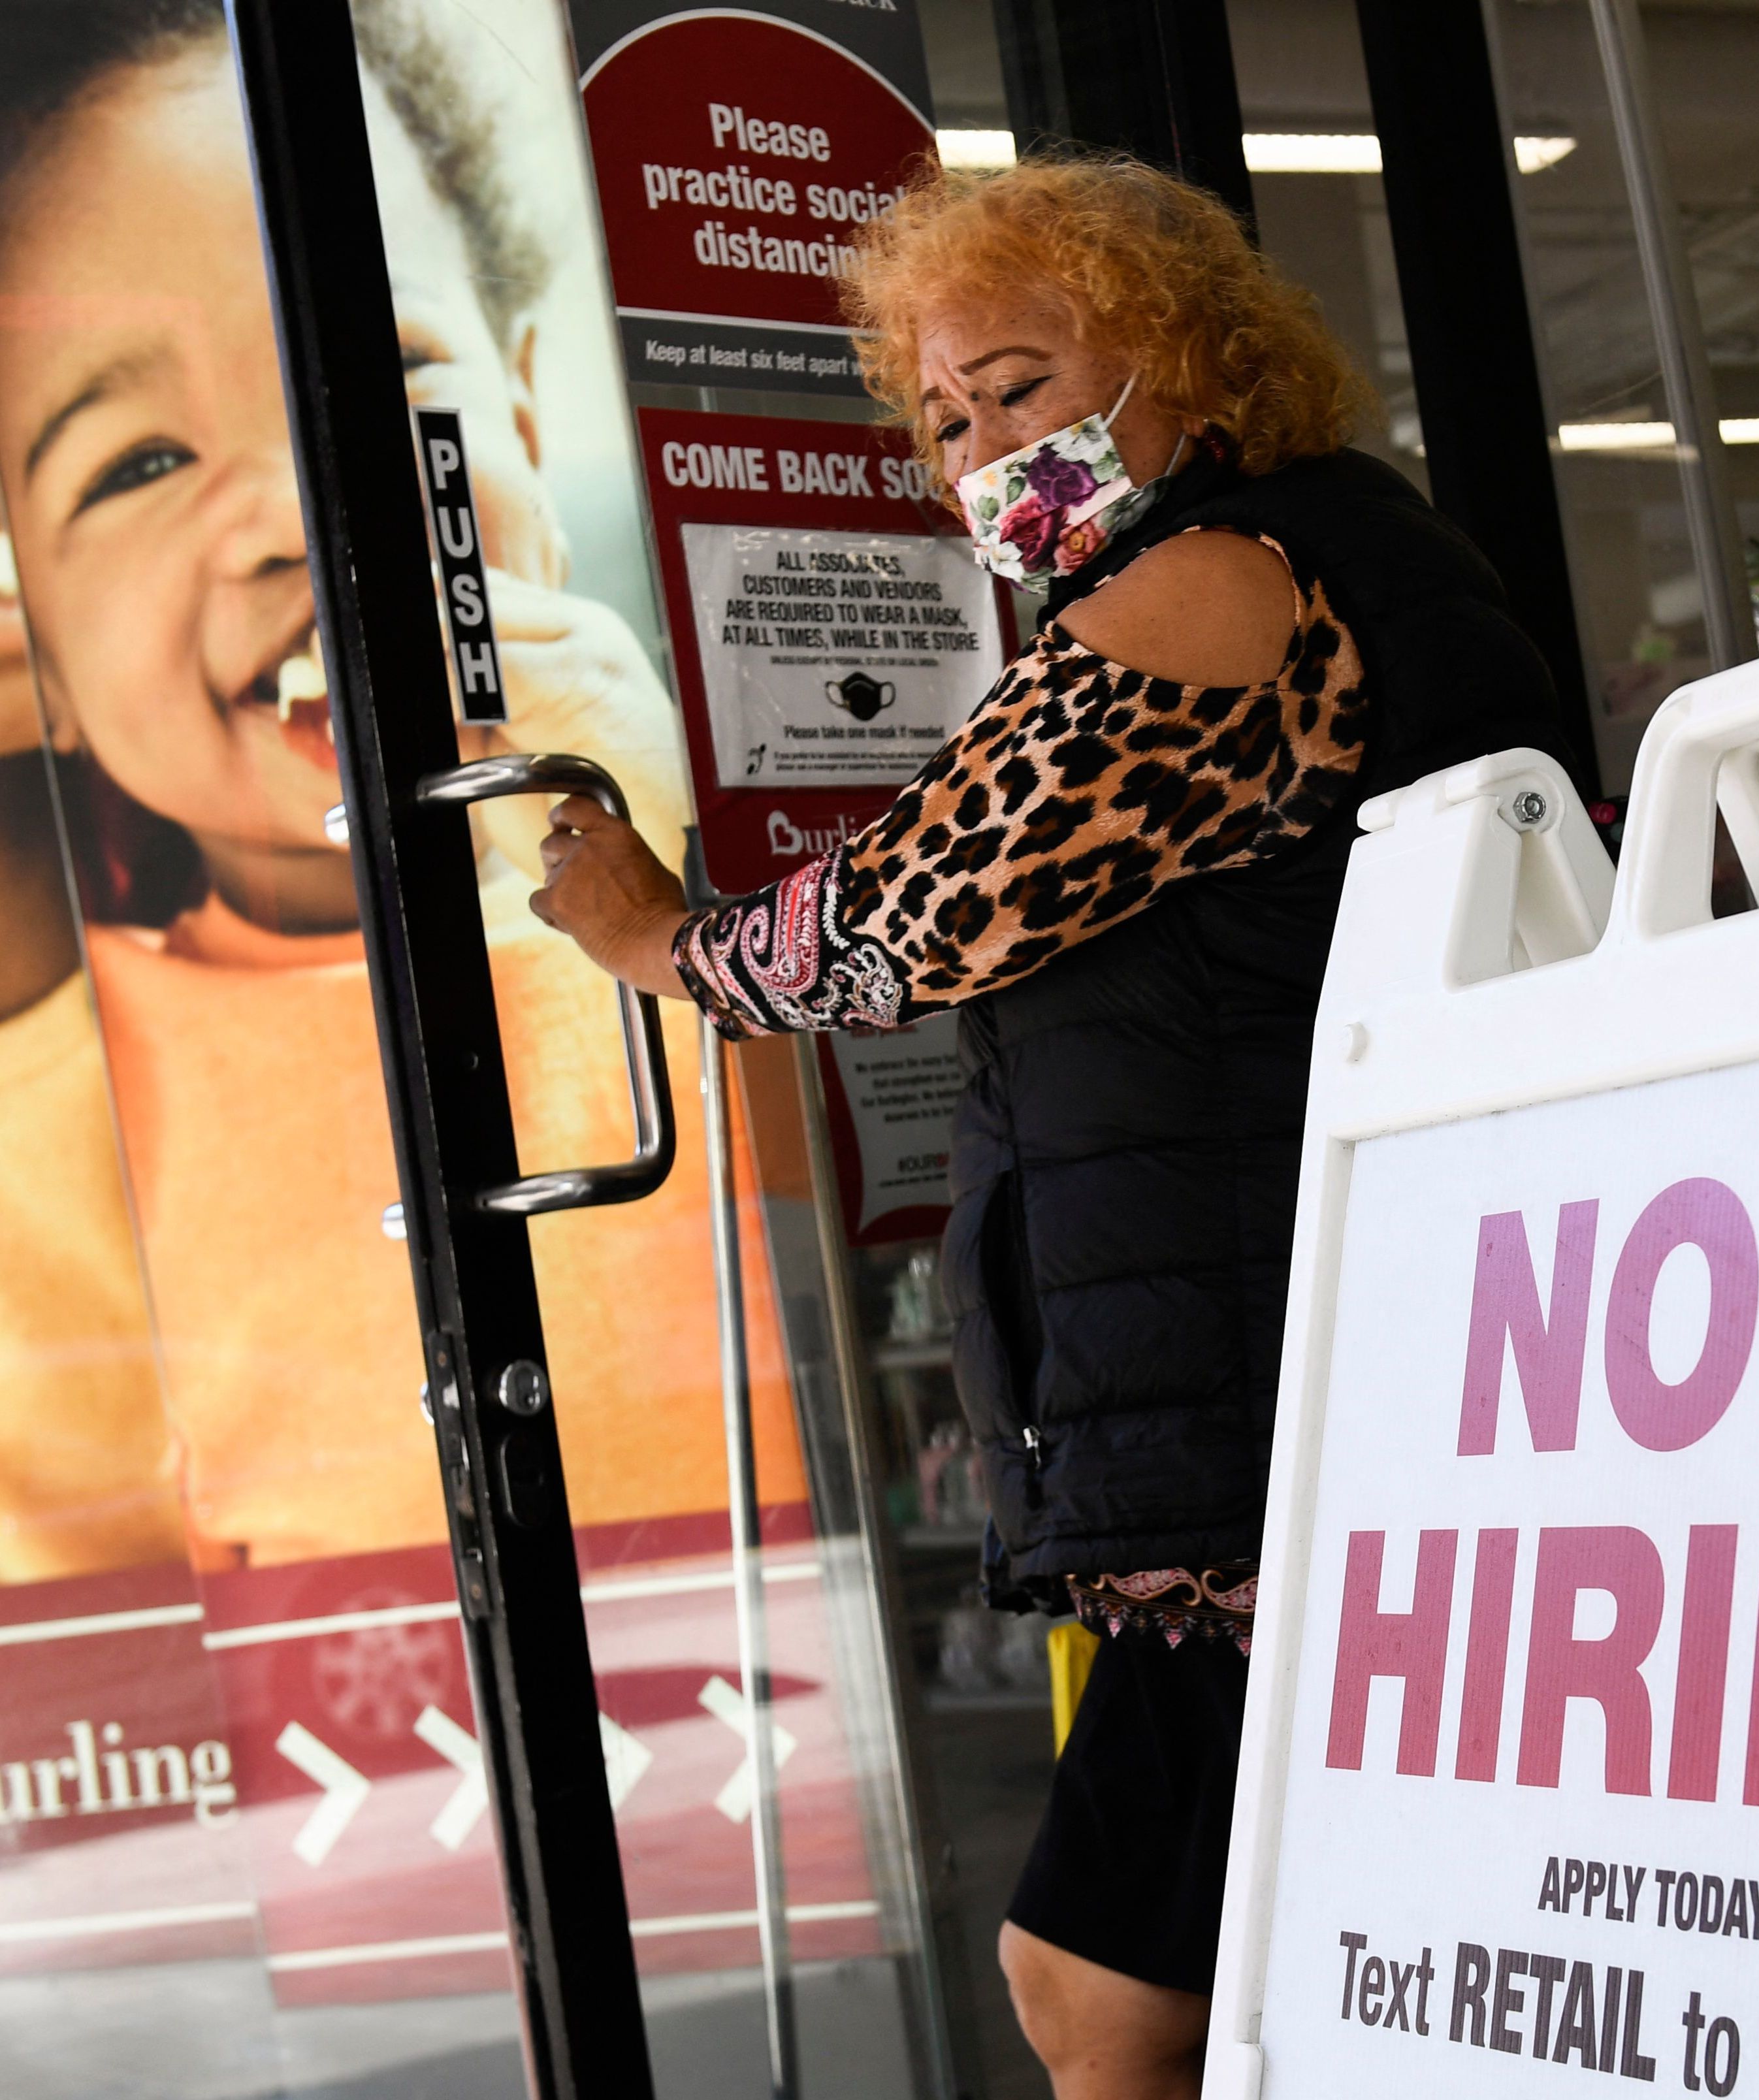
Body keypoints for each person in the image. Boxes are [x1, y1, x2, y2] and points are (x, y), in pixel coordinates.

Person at [531, 155, 1569, 2098]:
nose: (985, 444)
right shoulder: (1336, 555)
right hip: (1353, 1352)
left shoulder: (1217, 583)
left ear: (1182, 359)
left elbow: (928, 902)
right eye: (943, 415)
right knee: (1190, 1971)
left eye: (1020, 383)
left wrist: (661, 939)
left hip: (1295, 1388)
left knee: (1104, 1992)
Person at [0, 0, 795, 1576]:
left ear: (517, 410)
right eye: (138, 465)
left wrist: (655, 847)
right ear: (40, 654)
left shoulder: (718, 863)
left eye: (385, 370)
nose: (305, 510)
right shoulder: (51, 1121)